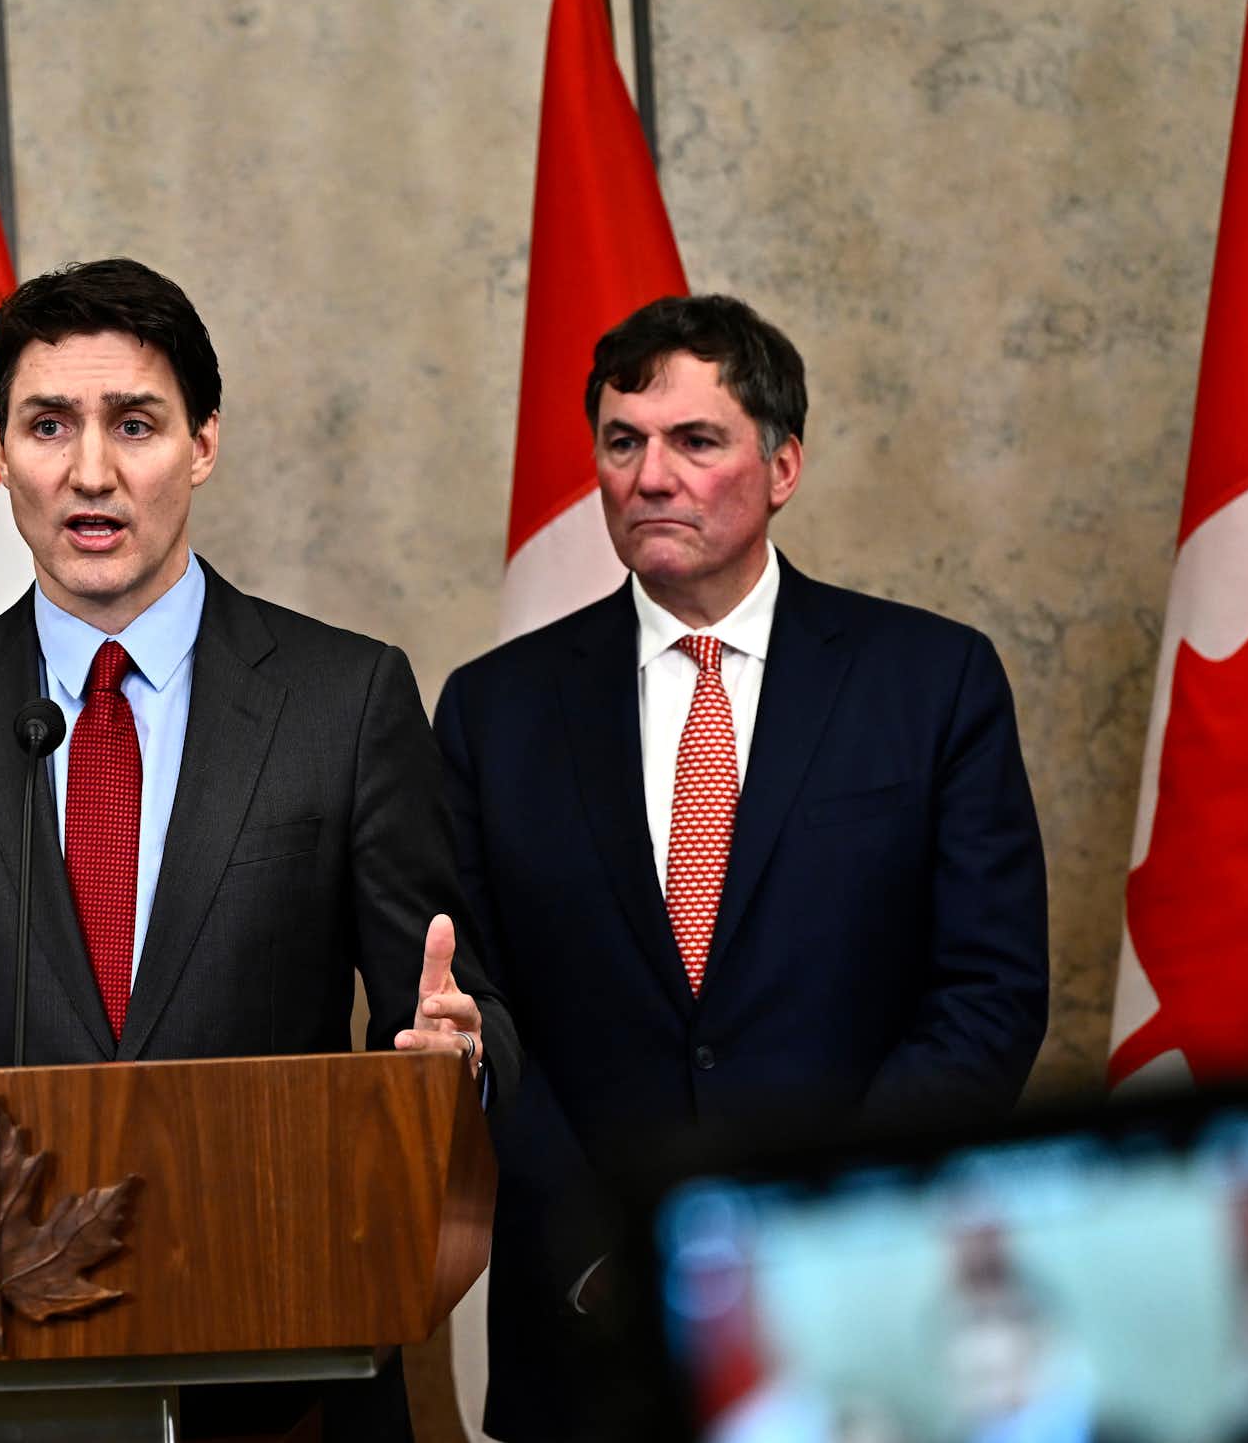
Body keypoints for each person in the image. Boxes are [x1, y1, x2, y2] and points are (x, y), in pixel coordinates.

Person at [0, 257, 519, 1441]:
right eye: (48, 425)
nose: (88, 472)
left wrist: (460, 1055)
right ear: (0, 453)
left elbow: (461, 1002)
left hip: (285, 1357)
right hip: (2, 1360)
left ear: (201, 444)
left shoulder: (342, 699)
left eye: (133, 424)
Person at [435, 294, 1048, 1440]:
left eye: (694, 441)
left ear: (782, 466)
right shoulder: (493, 711)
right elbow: (477, 1020)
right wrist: (602, 1247)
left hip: (867, 1321)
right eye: (623, 443)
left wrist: (823, 1234)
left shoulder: (931, 683)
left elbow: (987, 994)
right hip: (587, 1333)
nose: (650, 477)